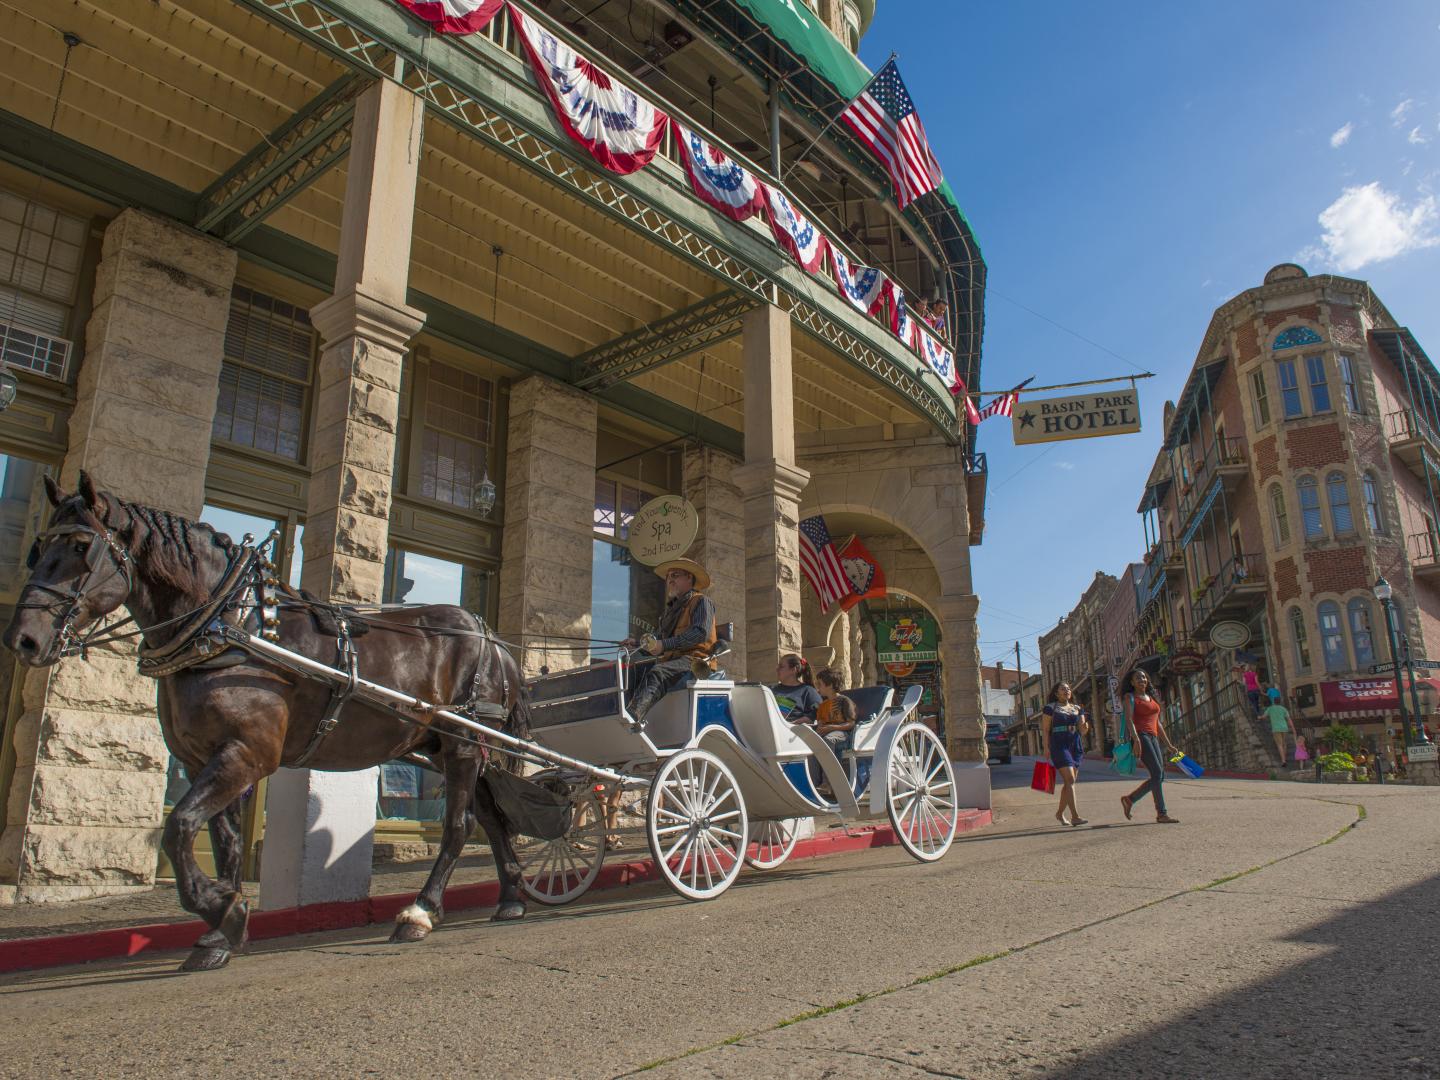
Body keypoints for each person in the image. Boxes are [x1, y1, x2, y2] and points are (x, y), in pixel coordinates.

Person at [622, 557, 717, 724]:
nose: (670, 580)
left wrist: (663, 645)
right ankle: (621, 711)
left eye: (675, 575)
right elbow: (658, 640)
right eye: (668, 577)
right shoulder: (671, 610)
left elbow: (699, 633)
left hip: (695, 661)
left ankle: (632, 718)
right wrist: (637, 644)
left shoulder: (702, 601)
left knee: (658, 672)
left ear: (689, 578)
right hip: (673, 661)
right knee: (631, 669)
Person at [1119, 670, 1180, 824]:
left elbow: (1157, 724)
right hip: (1141, 737)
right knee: (1157, 773)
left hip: (1152, 737)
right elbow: (1128, 720)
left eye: (1144, 677)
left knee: (1159, 776)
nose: (1142, 679)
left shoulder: (1151, 698)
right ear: (1132, 682)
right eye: (1138, 677)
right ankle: (1162, 813)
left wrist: (1169, 745)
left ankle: (1130, 799)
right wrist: (1136, 739)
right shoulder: (1129, 697)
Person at [1042, 681, 1091, 826]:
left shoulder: (1077, 708)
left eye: (1068, 688)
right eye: (1062, 689)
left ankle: (1059, 814)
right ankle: (1075, 816)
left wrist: (1086, 725)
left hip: (1075, 745)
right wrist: (1046, 747)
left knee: (1069, 782)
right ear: (1056, 693)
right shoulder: (1050, 708)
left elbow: (1082, 730)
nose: (1066, 690)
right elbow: (1045, 729)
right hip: (1059, 744)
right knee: (1070, 779)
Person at [811, 667, 858, 795]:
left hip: (843, 734)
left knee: (828, 740)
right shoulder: (822, 705)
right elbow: (820, 723)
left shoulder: (844, 701)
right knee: (812, 743)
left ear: (830, 685)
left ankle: (829, 783)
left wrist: (831, 728)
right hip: (827, 733)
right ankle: (815, 782)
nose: (818, 688)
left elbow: (851, 723)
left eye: (820, 684)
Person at [771, 653, 821, 722]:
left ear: (793, 670)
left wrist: (805, 720)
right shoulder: (770, 690)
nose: (777, 669)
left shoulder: (808, 691)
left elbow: (820, 711)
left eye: (781, 666)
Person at [1264, 693, 1295, 763]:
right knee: (1284, 744)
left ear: (1274, 702)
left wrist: (1259, 717)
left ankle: (1283, 760)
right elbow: (1288, 719)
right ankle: (1284, 757)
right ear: (1280, 702)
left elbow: (1264, 716)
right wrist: (1293, 728)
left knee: (1279, 744)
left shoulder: (1270, 708)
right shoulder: (1284, 709)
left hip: (1276, 729)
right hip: (1284, 728)